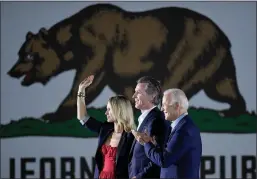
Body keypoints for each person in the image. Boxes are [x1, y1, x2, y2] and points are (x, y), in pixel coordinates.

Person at [77, 75, 136, 179]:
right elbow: (82, 117)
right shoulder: (105, 129)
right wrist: (81, 90)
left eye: (109, 109)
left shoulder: (132, 136)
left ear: (119, 110)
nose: (106, 113)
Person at [138, 88, 202, 179]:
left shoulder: (184, 130)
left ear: (176, 106)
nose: (162, 108)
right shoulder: (180, 126)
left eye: (164, 104)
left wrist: (146, 143)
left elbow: (164, 160)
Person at [128, 76, 170, 179]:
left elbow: (158, 159)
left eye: (138, 92)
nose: (133, 96)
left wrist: (139, 177)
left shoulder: (156, 121)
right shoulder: (146, 119)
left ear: (152, 96)